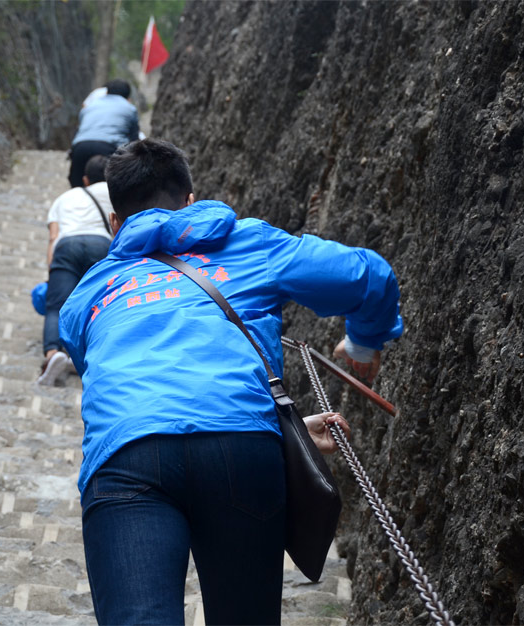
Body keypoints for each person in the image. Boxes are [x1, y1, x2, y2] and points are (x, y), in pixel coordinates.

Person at [59, 139, 403, 625]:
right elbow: (369, 276)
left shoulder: (88, 293)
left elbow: (132, 378)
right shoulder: (251, 243)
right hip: (241, 449)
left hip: (128, 453)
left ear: (116, 223)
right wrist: (364, 345)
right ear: (191, 202)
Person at [38, 155, 115, 386]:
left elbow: (53, 236)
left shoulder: (65, 197)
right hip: (102, 245)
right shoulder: (116, 193)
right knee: (99, 304)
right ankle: (88, 355)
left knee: (56, 305)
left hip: (67, 245)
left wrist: (52, 269)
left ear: (85, 178)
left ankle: (53, 354)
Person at [68, 79, 140, 188]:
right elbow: (134, 140)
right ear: (128, 97)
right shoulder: (130, 109)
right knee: (112, 188)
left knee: (77, 187)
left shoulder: (89, 107)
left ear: (106, 92)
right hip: (110, 147)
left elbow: (81, 129)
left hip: (81, 147)